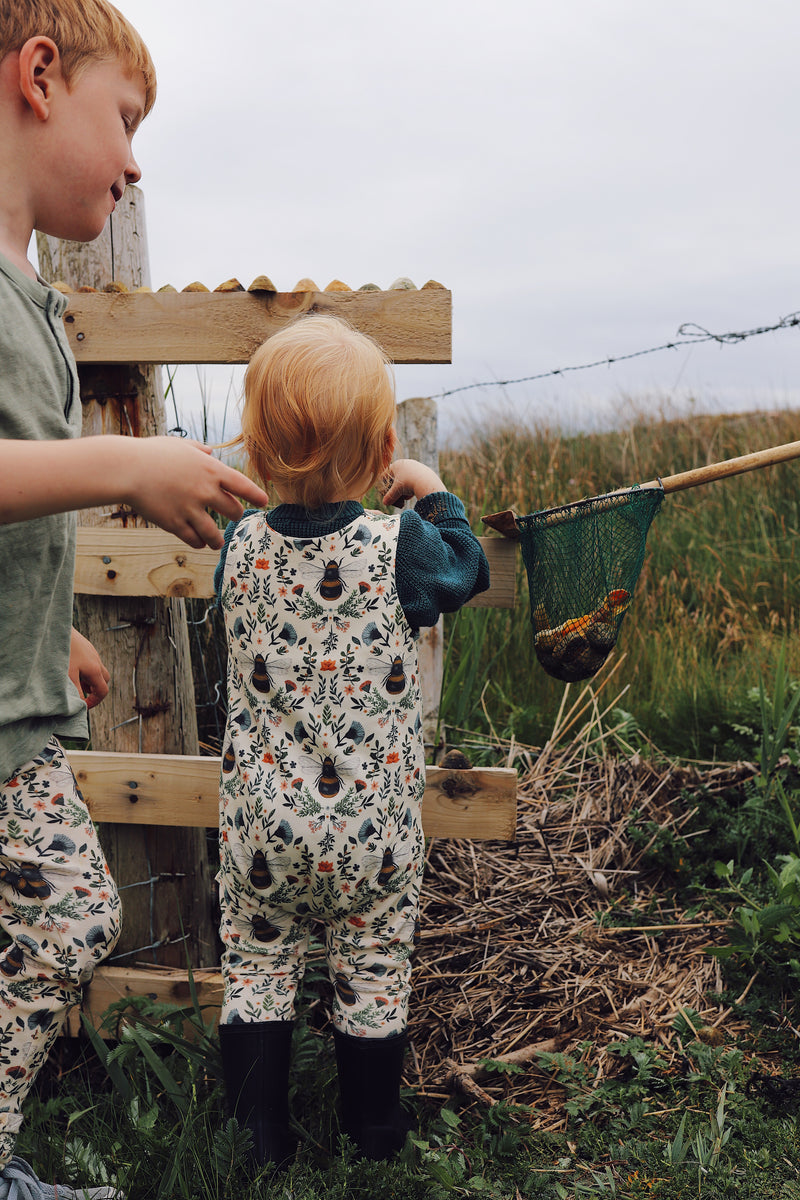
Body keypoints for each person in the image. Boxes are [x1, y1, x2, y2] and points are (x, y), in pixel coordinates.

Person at [0, 4, 269, 1196]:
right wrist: (127, 461)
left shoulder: (30, 298)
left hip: (18, 696)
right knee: (61, 917)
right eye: (127, 117)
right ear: (40, 77)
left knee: (55, 917)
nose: (135, 158)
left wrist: (47, 628)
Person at [214, 313, 491, 1169]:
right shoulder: (399, 542)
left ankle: (256, 1140)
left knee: (257, 968)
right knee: (372, 967)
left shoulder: (239, 546)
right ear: (381, 450)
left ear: (254, 452)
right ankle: (373, 1137)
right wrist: (432, 490)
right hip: (370, 831)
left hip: (261, 827)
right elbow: (467, 567)